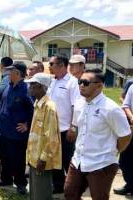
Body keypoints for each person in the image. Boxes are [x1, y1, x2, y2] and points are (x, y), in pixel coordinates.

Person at [64, 69, 132, 200]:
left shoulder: (111, 109)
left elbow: (125, 135)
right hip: (78, 160)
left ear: (99, 85)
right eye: (80, 81)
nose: (81, 85)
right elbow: (76, 125)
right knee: (70, 193)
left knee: (99, 197)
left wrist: (115, 150)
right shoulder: (79, 103)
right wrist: (72, 129)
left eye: (85, 82)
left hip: (101, 163)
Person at [0, 62, 34, 195]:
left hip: (17, 133)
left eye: (11, 71)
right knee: (4, 157)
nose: (8, 73)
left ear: (17, 73)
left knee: (18, 159)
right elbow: (1, 104)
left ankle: (21, 183)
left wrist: (27, 125)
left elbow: (33, 110)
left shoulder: (27, 89)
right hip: (3, 130)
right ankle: (5, 179)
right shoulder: (8, 86)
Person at [25, 73, 62, 200]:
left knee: (42, 194)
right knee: (34, 193)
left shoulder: (49, 107)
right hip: (33, 157)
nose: (29, 88)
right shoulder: (37, 104)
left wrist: (43, 158)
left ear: (41, 87)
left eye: (32, 85)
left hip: (42, 160)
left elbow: (52, 137)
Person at [47, 55, 80, 194]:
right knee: (55, 159)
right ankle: (59, 185)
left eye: (51, 64)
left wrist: (73, 127)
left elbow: (76, 107)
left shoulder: (72, 82)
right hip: (52, 128)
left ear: (61, 65)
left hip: (66, 129)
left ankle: (75, 187)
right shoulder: (53, 81)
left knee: (68, 159)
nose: (49, 66)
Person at [114, 83, 133, 195]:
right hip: (131, 127)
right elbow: (126, 105)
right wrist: (131, 117)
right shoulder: (132, 86)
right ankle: (130, 185)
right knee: (125, 161)